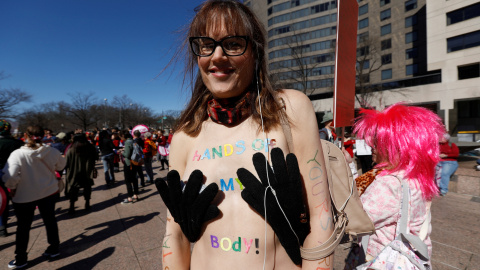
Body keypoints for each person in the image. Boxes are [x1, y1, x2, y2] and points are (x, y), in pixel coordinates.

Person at [156, 1, 332, 269]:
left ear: (255, 51)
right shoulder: (184, 135)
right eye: (206, 44)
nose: (217, 56)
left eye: (233, 43)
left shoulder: (290, 109)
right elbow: (174, 236)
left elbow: (322, 219)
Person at [351, 103, 445, 267]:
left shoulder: (389, 183)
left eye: (379, 140)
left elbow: (353, 221)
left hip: (380, 260)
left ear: (398, 146)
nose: (372, 145)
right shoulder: (416, 177)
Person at [2, 125, 66, 269]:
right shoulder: (51, 151)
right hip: (48, 192)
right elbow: (61, 165)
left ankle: (21, 258)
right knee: (50, 221)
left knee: (23, 227)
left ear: (25, 135)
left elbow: (10, 175)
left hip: (25, 195)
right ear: (43, 135)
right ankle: (54, 248)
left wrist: (12, 187)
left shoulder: (18, 154)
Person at [0, 120, 24, 237]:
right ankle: (22, 223)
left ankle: (2, 227)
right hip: (15, 174)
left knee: (1, 201)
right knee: (17, 199)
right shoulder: (17, 143)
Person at [64, 133, 98, 214]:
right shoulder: (90, 147)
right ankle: (87, 203)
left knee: (73, 189)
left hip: (74, 173)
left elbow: (66, 162)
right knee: (87, 187)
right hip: (87, 172)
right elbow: (96, 157)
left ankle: (72, 207)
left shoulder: (71, 149)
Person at [120, 131, 139, 204]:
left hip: (129, 163)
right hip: (135, 162)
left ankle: (129, 197)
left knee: (128, 180)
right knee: (134, 179)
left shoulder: (127, 142)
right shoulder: (133, 141)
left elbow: (127, 154)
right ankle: (135, 195)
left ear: (123, 135)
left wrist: (122, 152)